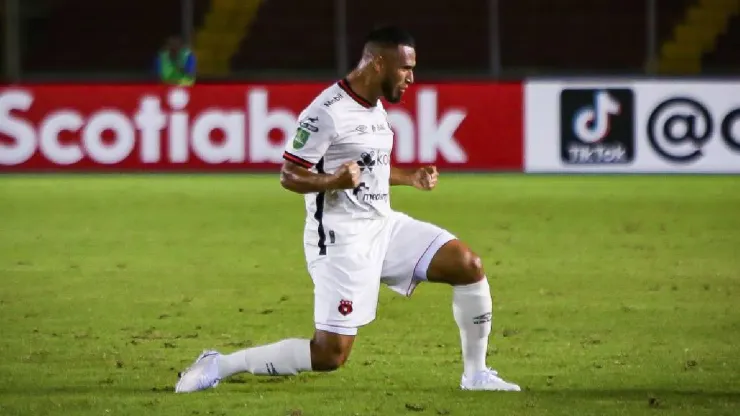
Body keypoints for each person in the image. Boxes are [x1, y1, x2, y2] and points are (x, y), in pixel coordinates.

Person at [175, 25, 521, 393]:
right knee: (329, 355)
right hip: (341, 241)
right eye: (405, 68)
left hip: (383, 227)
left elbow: (368, 171)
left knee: (467, 265)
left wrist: (409, 177)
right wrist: (331, 182)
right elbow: (289, 175)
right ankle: (222, 363)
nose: (411, 78)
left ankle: (476, 374)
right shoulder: (326, 112)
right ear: (377, 63)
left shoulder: (375, 110)